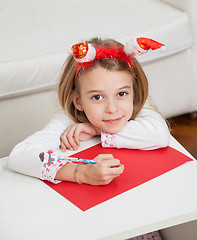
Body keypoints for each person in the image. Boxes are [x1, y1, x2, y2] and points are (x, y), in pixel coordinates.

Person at [7, 37, 167, 240]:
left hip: (138, 220)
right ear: (78, 101)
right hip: (88, 226)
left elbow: (160, 135)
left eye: (122, 93)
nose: (112, 108)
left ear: (133, 93)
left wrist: (97, 130)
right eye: (97, 97)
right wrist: (81, 173)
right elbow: (19, 156)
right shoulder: (65, 122)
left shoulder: (140, 111)